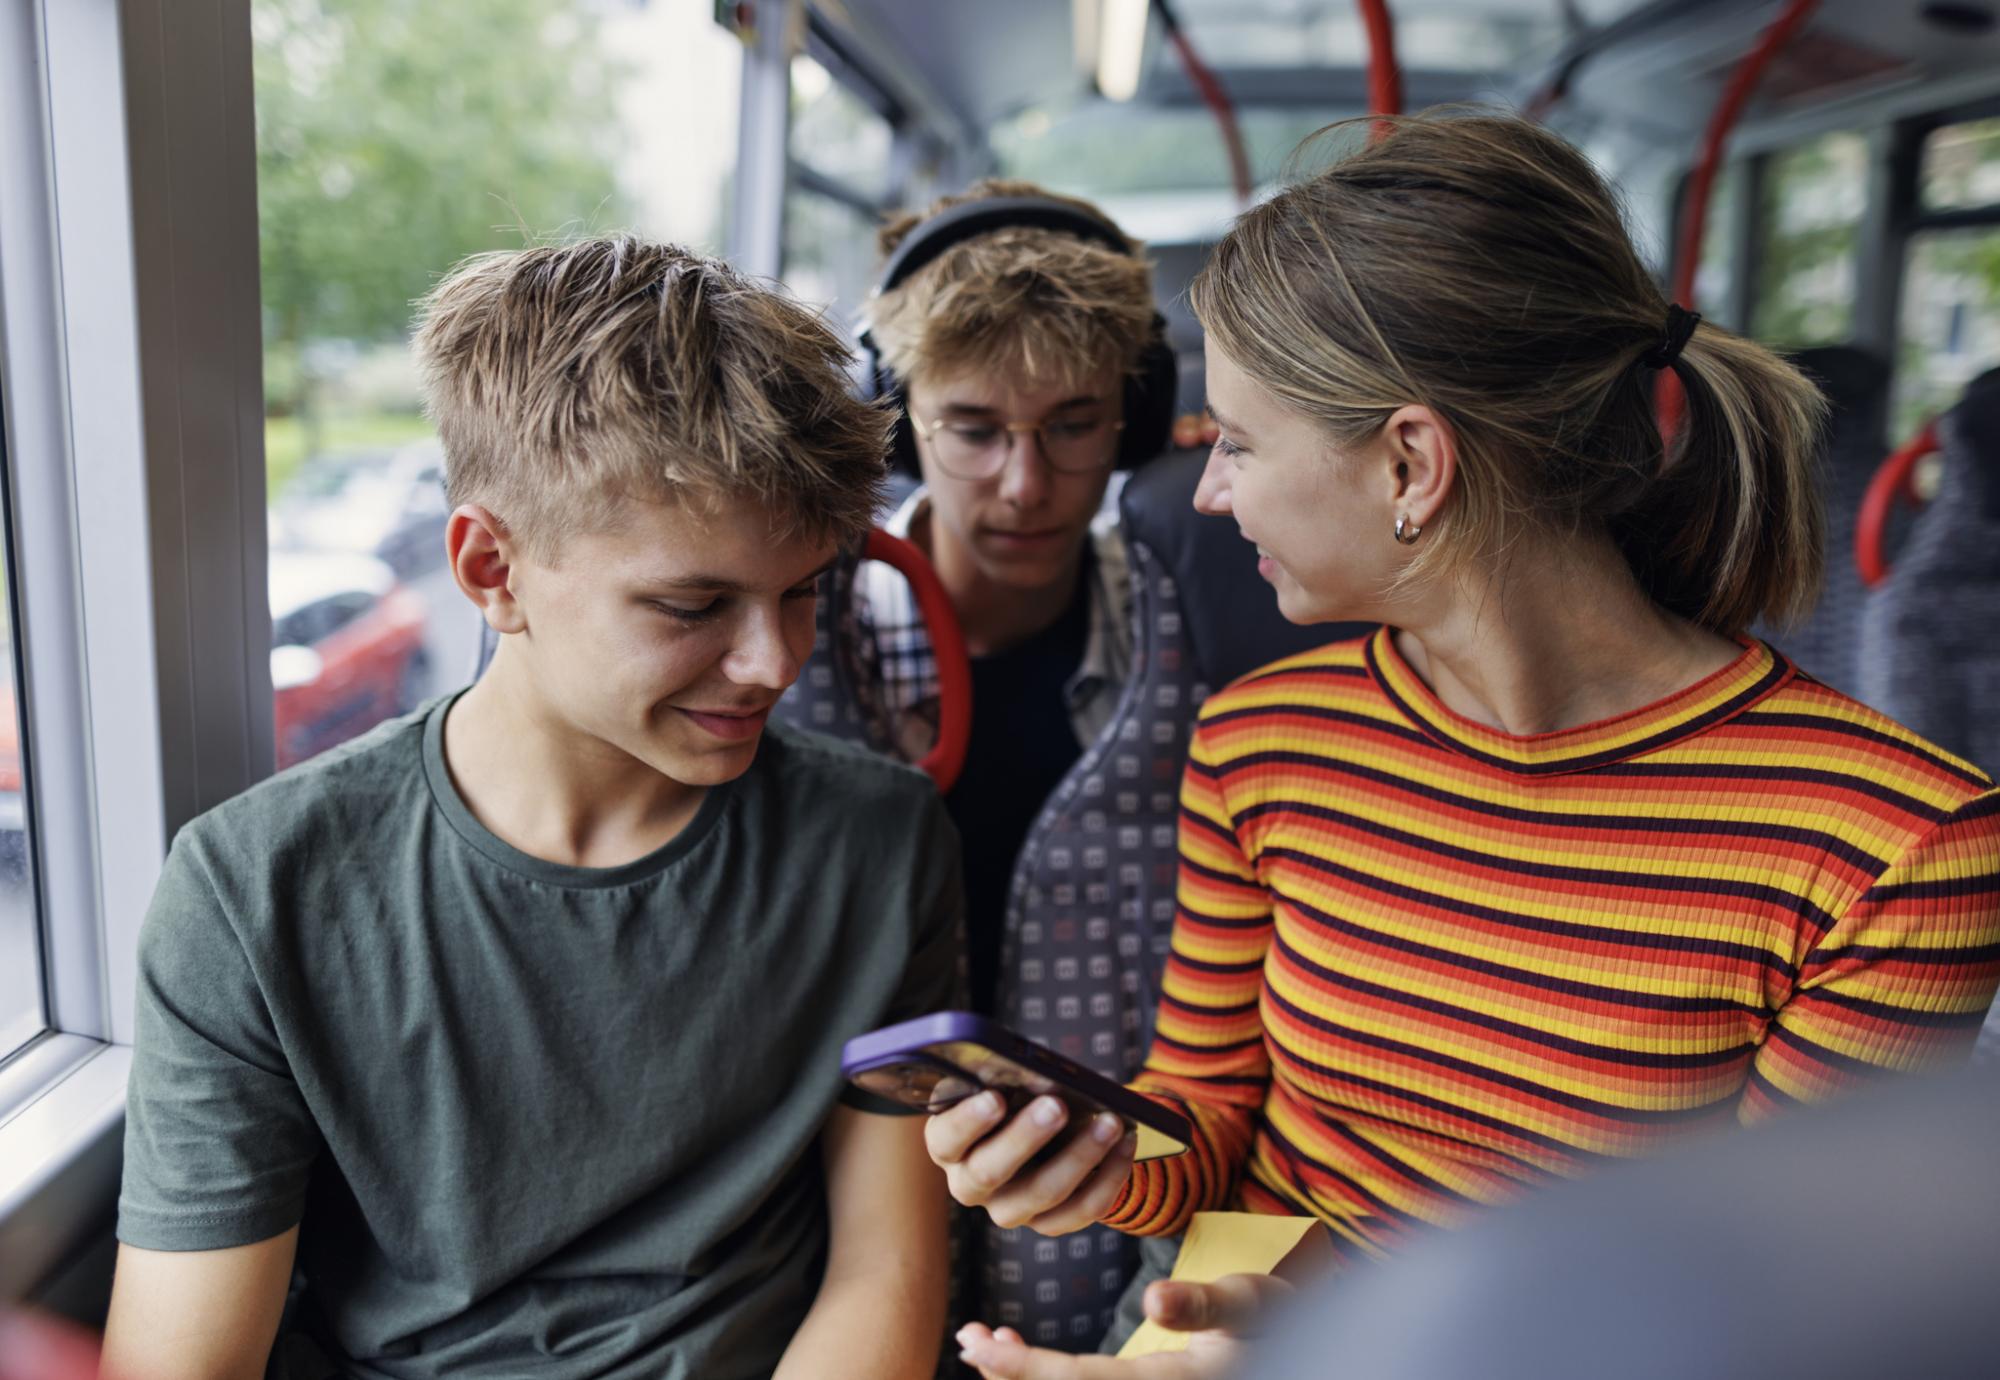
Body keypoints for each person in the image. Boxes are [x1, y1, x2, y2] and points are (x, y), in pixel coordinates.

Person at [923, 111, 2000, 1379]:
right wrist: (1108, 1178)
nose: (1207, 495)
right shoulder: (1262, 743)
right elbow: (1212, 1140)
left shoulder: (1897, 846)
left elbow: (1770, 1326)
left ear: (1410, 464)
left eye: (1240, 445)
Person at [101, 237, 960, 1380]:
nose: (773, 661)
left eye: (803, 590)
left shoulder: (877, 845)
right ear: (490, 569)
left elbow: (883, 1279)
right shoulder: (255, 891)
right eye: (692, 604)